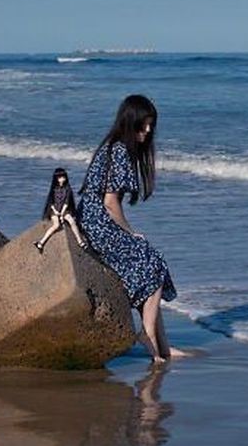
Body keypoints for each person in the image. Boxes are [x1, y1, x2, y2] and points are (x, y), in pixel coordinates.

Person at [77, 95, 180, 364]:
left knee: (151, 264)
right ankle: (148, 335)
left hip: (90, 220)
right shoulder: (121, 150)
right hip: (98, 223)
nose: (147, 132)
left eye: (150, 126)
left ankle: (163, 347)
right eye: (142, 126)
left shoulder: (113, 147)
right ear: (129, 123)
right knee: (152, 261)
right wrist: (130, 232)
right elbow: (110, 203)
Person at [34, 167, 86, 253]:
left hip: (64, 210)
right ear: (56, 179)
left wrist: (61, 214)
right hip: (54, 210)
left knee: (71, 221)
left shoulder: (68, 189)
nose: (62, 179)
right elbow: (51, 202)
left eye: (63, 177)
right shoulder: (54, 189)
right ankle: (41, 242)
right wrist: (55, 212)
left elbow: (66, 202)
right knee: (56, 225)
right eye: (59, 177)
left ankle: (80, 241)